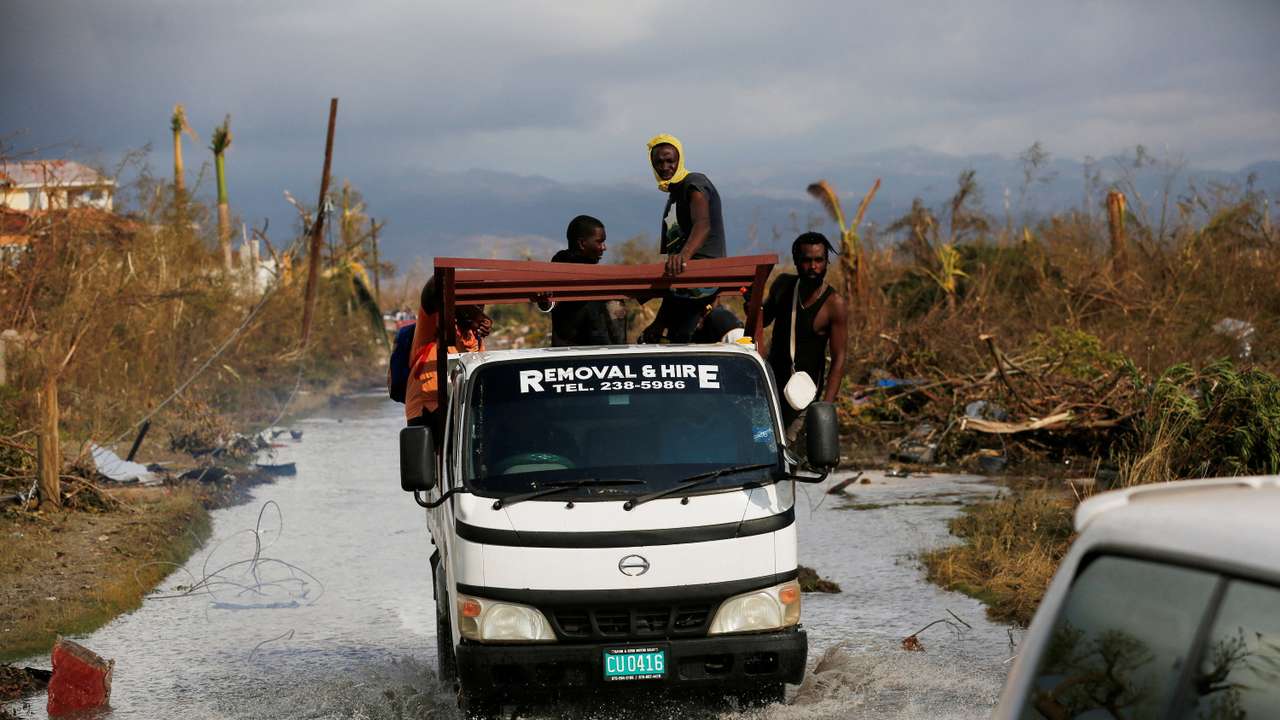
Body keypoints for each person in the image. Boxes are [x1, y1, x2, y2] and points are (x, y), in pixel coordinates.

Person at [641, 134, 726, 343]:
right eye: (658, 162)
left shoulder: (694, 183)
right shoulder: (673, 195)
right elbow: (675, 269)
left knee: (685, 339)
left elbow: (703, 224)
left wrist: (683, 256)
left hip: (701, 278)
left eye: (670, 160)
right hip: (682, 283)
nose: (665, 166)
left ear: (681, 159)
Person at [762, 232, 848, 427]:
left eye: (819, 260)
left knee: (792, 453)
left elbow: (839, 359)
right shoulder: (783, 286)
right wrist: (752, 300)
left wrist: (824, 408)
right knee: (763, 444)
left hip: (804, 398)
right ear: (796, 261)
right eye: (807, 260)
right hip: (772, 391)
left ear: (827, 262)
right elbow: (763, 319)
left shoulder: (834, 305)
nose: (813, 267)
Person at [405, 276, 491, 428]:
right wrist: (449, 274)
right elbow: (431, 289)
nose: (477, 309)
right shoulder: (433, 323)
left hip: (460, 409)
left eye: (480, 306)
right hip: (426, 410)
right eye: (471, 305)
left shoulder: (476, 338)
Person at [537, 215, 624, 346]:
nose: (604, 247)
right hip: (576, 351)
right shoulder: (562, 266)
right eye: (599, 242)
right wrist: (545, 301)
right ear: (582, 244)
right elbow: (552, 302)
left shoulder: (591, 270)